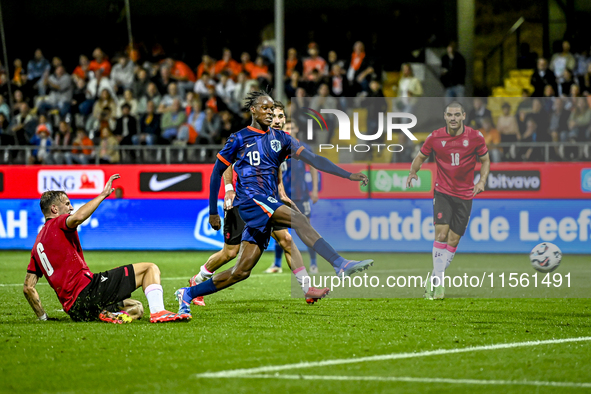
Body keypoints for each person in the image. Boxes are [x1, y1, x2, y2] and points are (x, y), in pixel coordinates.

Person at [175, 91, 373, 316]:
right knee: (298, 221)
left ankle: (188, 293)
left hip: (267, 201)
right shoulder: (239, 138)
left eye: (272, 110)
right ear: (253, 110)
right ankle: (339, 263)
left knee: (241, 271)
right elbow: (216, 173)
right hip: (250, 200)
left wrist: (348, 175)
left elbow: (315, 160)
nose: (269, 114)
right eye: (265, 109)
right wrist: (213, 211)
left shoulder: (282, 139)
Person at [187, 101, 328, 306]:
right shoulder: (245, 136)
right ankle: (197, 281)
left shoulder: (276, 141)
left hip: (268, 202)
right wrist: (228, 189)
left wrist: (282, 194)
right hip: (242, 201)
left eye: (280, 116)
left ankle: (307, 288)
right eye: (274, 115)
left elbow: (276, 172)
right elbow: (225, 164)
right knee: (230, 253)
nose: (277, 119)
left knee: (286, 240)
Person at [23, 175, 190, 323]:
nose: (71, 208)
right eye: (67, 204)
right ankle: (159, 312)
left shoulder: (37, 247)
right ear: (54, 209)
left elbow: (28, 287)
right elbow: (78, 217)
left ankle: (107, 315)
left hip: (76, 310)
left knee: (137, 308)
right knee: (149, 269)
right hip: (89, 291)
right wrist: (103, 195)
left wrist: (43, 318)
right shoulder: (57, 223)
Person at [406, 101, 490, 300]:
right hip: (442, 191)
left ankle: (434, 278)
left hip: (465, 195)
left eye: (457, 115)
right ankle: (440, 285)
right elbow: (420, 157)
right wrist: (412, 171)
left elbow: (485, 160)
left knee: (454, 240)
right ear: (445, 117)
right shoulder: (435, 137)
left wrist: (482, 181)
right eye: (449, 115)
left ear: (463, 116)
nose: (453, 118)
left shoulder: (475, 137)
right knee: (441, 235)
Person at [267, 113, 320, 274]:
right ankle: (277, 264)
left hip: (300, 194)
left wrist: (315, 190)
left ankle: (313, 263)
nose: (289, 129)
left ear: (296, 129)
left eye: (292, 127)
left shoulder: (303, 147)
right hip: (282, 195)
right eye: (287, 127)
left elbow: (313, 166)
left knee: (306, 228)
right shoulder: (277, 145)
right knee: (280, 229)